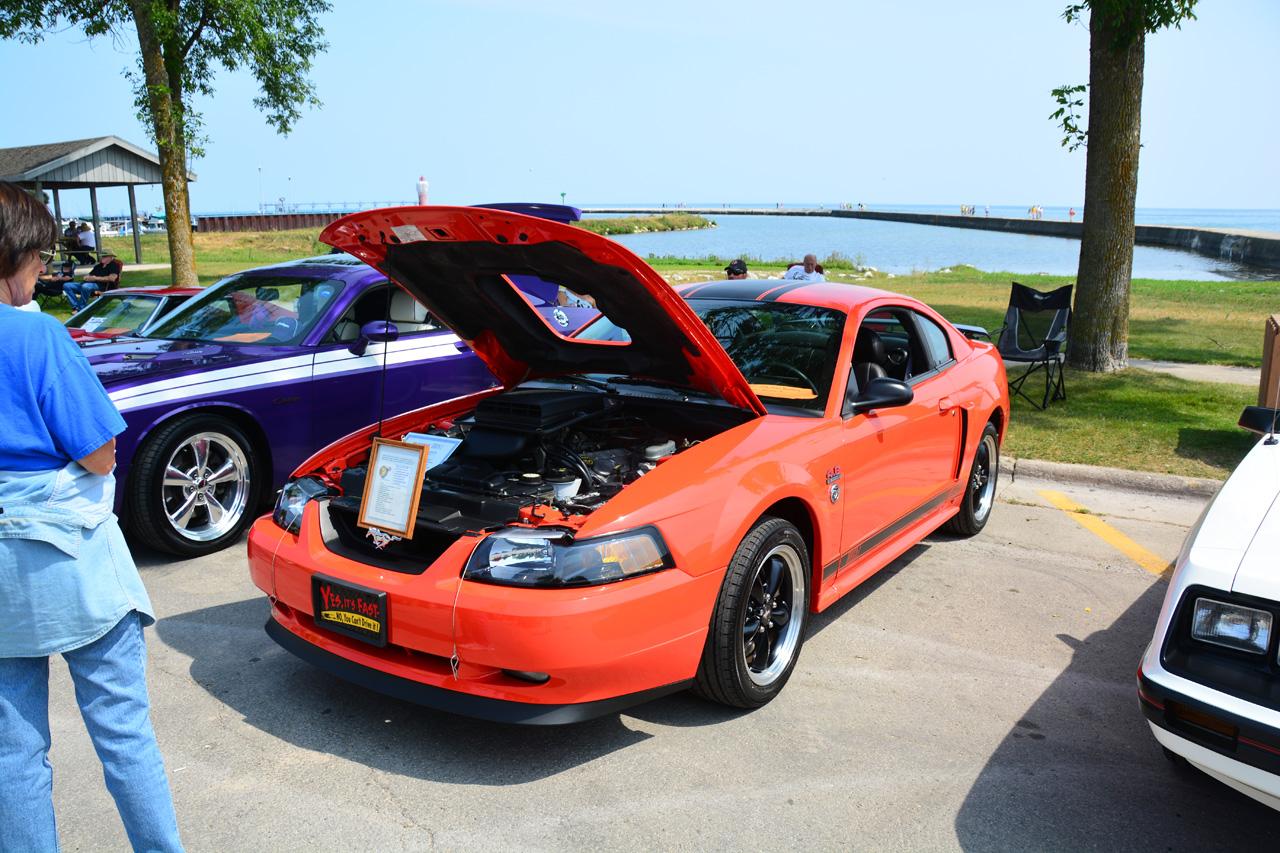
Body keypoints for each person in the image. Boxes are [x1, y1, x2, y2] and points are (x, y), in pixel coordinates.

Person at [0, 181, 183, 853]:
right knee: (123, 733)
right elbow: (100, 454)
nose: (43, 269)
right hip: (65, 559)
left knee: (11, 752)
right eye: (39, 256)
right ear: (13, 253)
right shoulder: (38, 334)